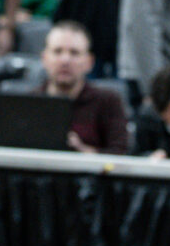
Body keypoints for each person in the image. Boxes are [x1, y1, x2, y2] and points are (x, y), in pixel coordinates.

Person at [39, 17, 129, 153]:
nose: (65, 60)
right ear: (44, 58)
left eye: (74, 53)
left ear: (89, 62)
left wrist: (83, 151)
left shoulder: (108, 102)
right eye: (57, 51)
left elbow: (121, 154)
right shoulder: (27, 101)